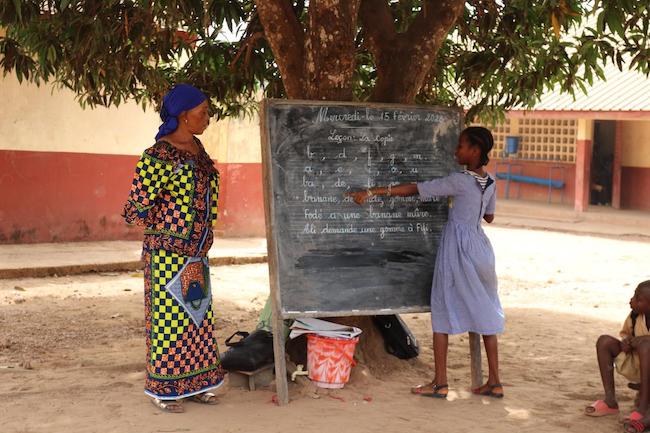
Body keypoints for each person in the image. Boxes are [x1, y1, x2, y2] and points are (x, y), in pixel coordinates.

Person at [347, 126, 504, 399]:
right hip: (481, 249)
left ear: (475, 150)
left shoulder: (459, 180)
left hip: (457, 249)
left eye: (462, 146)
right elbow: (489, 217)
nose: (456, 151)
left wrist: (374, 192)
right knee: (486, 313)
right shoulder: (490, 182)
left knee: (442, 308)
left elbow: (416, 189)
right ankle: (494, 381)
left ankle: (440, 383)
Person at [122, 84, 225, 413]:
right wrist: (172, 224)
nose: (208, 118)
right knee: (168, 321)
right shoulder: (158, 156)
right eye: (202, 112)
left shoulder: (198, 148)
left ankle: (197, 383)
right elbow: (134, 210)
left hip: (196, 252)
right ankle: (163, 389)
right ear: (182, 115)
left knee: (195, 316)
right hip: (166, 255)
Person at [584, 280, 650, 433]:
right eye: (634, 295)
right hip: (636, 364)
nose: (632, 300)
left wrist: (643, 341)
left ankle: (643, 407)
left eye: (638, 299)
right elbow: (626, 334)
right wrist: (626, 341)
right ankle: (610, 401)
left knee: (646, 345)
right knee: (604, 341)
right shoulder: (635, 316)